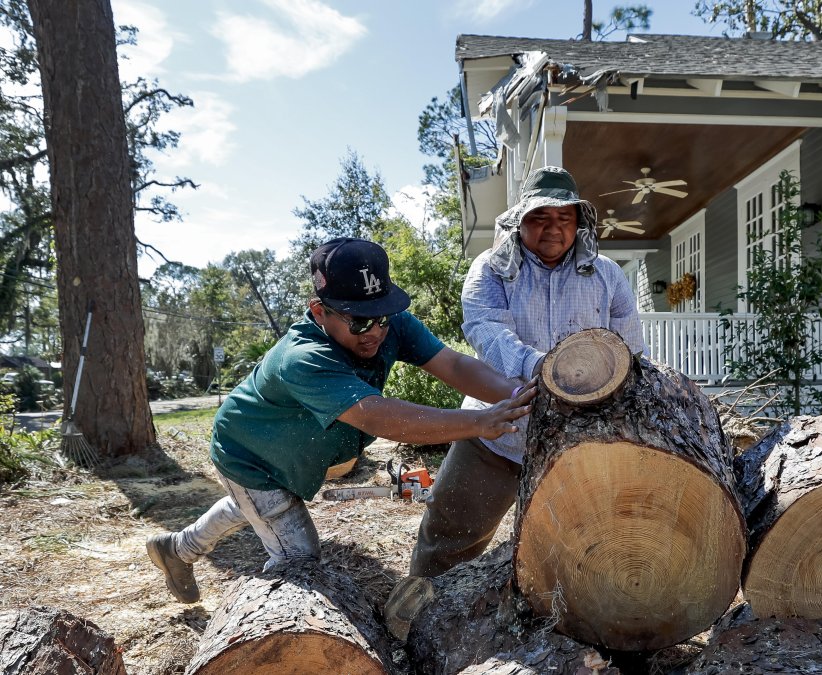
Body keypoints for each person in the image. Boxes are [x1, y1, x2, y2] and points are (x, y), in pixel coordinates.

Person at [146, 237, 534, 604]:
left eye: (382, 317)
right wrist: (479, 422)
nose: (375, 332)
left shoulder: (385, 322)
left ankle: (177, 549)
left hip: (293, 453)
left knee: (248, 507)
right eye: (359, 322)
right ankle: (275, 628)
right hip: (250, 457)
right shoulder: (303, 358)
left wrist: (515, 395)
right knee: (297, 558)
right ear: (319, 310)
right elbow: (377, 417)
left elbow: (451, 363)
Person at [406, 166, 647, 580]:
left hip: (583, 440)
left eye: (563, 218)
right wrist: (541, 367)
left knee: (586, 549)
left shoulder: (607, 275)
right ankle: (416, 611)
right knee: (450, 536)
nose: (552, 228)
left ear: (579, 224)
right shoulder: (491, 269)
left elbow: (631, 348)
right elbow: (486, 331)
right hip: (498, 432)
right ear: (519, 220)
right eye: (540, 217)